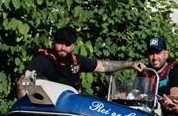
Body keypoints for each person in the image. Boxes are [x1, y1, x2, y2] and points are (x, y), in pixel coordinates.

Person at [16, 26, 145, 98]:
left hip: (71, 104)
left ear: (73, 46)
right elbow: (23, 80)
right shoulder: (43, 59)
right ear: (53, 42)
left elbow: (102, 66)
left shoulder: (76, 60)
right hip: (49, 105)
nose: (63, 47)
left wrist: (130, 64)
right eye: (60, 43)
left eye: (67, 44)